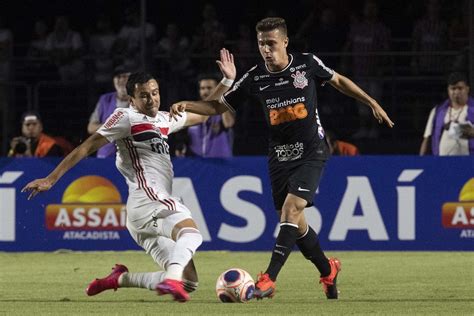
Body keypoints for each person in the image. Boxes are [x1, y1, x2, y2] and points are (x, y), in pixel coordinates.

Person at [170, 17, 394, 300]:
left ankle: (268, 278)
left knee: (290, 211)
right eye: (261, 43)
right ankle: (328, 269)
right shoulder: (254, 77)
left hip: (312, 150)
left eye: (271, 43)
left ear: (285, 42)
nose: (266, 49)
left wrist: (371, 102)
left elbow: (338, 81)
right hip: (279, 157)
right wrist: (188, 103)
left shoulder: (306, 64)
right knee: (296, 225)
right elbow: (217, 106)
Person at [22, 48, 236, 302]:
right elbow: (87, 146)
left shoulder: (166, 119)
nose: (152, 100)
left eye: (155, 93)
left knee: (188, 282)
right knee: (192, 234)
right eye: (144, 96)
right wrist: (51, 179)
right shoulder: (125, 117)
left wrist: (227, 81)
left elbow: (209, 110)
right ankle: (171, 279)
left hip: (140, 215)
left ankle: (119, 279)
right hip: (151, 200)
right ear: (132, 99)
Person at [175, 74, 235, 157]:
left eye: (209, 88)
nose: (205, 91)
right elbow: (182, 133)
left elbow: (229, 124)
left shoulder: (224, 107)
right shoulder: (193, 108)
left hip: (220, 161)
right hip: (197, 161)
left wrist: (221, 100)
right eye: (202, 88)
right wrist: (181, 146)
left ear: (218, 89)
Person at [420, 72, 474, 156]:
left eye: (460, 88)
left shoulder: (472, 109)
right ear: (448, 90)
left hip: (469, 162)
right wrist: (420, 161)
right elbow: (426, 138)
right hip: (442, 163)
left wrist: (457, 129)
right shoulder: (437, 111)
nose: (456, 92)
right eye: (453, 88)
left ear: (467, 89)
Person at [87, 66, 131, 158]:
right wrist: (112, 125)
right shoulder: (105, 100)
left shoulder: (140, 101)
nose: (122, 80)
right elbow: (91, 128)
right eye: (118, 77)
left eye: (126, 76)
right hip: (106, 156)